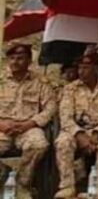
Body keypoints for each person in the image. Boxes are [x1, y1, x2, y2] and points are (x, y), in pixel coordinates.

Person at [54, 53, 98, 199]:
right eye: (80, 68)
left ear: (96, 68)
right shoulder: (70, 89)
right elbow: (65, 116)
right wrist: (79, 134)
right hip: (75, 130)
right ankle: (67, 186)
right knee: (63, 142)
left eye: (86, 67)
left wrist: (97, 133)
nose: (81, 71)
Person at [0, 42, 56, 199]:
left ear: (29, 61)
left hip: (28, 127)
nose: (15, 62)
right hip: (2, 127)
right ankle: (4, 173)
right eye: (12, 58)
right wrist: (1, 124)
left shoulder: (40, 82)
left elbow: (50, 107)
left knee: (39, 145)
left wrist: (30, 124)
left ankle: (22, 183)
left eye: (20, 58)